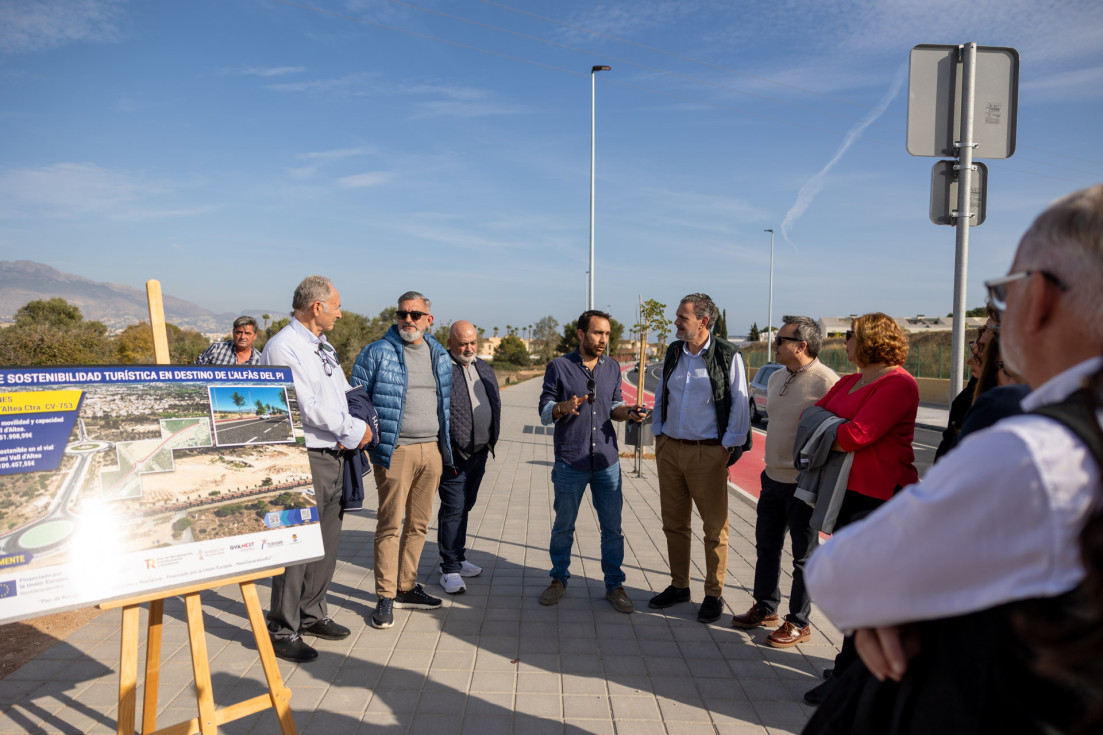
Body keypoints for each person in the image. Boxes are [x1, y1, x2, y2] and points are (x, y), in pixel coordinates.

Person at [801, 184, 1103, 734]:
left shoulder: (1036, 451)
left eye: (1001, 295)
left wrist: (891, 605)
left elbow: (841, 574)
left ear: (1037, 300)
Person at [802, 311, 919, 705]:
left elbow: (857, 434)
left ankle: (849, 678)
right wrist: (832, 427)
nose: (844, 340)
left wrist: (829, 428)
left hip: (880, 500)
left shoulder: (899, 384)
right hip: (848, 493)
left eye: (849, 335)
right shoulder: (853, 380)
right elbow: (812, 414)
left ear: (870, 341)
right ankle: (850, 668)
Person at [261, 276, 373, 662]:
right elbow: (302, 405)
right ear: (316, 307)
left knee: (326, 543)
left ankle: (312, 614)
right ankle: (282, 627)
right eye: (336, 305)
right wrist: (353, 428)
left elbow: (342, 392)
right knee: (296, 546)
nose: (341, 313)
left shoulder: (322, 345)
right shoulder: (283, 348)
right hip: (304, 456)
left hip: (334, 456)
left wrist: (358, 419)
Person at [730, 316, 838, 646]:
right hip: (772, 476)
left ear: (801, 346)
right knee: (766, 547)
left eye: (780, 340)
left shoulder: (827, 382)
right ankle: (766, 608)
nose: (774, 344)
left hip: (803, 484)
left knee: (804, 557)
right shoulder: (778, 377)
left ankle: (799, 622)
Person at [351, 292, 453, 629]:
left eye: (414, 314)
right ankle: (385, 597)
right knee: (390, 524)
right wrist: (369, 440)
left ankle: (406, 585)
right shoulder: (377, 352)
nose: (407, 320)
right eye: (402, 314)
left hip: (432, 450)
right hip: (395, 452)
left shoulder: (439, 353)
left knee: (420, 524)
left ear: (428, 319)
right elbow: (356, 399)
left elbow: (447, 402)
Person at [649, 293, 750, 624]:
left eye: (683, 317)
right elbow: (664, 392)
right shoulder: (675, 351)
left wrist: (726, 448)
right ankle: (680, 586)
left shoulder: (727, 355)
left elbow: (739, 403)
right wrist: (659, 434)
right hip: (670, 450)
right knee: (674, 524)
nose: (676, 322)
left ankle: (713, 593)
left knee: (714, 528)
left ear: (704, 321)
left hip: (708, 452)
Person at [537, 310, 646, 614]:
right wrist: (563, 406)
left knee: (612, 528)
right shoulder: (558, 367)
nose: (603, 340)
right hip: (571, 460)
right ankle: (558, 579)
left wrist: (630, 413)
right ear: (581, 334)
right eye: (598, 333)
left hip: (607, 461)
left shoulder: (611, 367)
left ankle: (615, 585)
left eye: (607, 334)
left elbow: (614, 406)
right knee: (563, 527)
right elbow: (545, 412)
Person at [437, 320, 500, 595]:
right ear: (450, 343)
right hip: (454, 455)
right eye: (462, 343)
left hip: (480, 453)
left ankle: (459, 558)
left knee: (466, 507)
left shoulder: (483, 368)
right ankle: (449, 568)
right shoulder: (441, 369)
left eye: (473, 342)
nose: (468, 348)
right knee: (453, 509)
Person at [195, 316, 262, 365]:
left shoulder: (260, 361)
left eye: (247, 333)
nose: (242, 337)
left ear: (255, 336)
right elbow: (194, 372)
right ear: (233, 333)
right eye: (239, 332)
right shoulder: (216, 349)